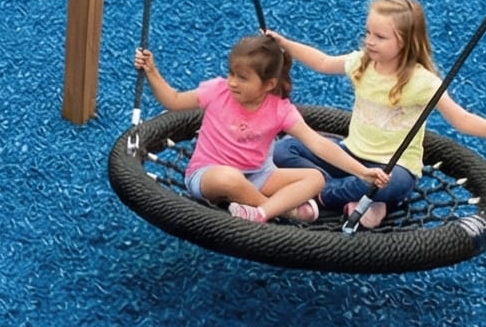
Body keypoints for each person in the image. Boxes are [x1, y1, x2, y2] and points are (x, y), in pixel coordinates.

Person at [270, 0, 486, 231]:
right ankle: (348, 192)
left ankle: (324, 195)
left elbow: (459, 119)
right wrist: (285, 44)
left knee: (389, 183)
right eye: (368, 33)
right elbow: (323, 63)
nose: (370, 41)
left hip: (393, 166)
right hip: (351, 157)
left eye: (380, 36)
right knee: (284, 149)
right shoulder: (362, 63)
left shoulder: (422, 82)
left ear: (405, 42)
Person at [135, 31, 383, 225]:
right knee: (229, 178)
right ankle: (283, 211)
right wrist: (152, 71)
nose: (232, 82)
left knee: (315, 178)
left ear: (268, 84)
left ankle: (262, 212)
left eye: (242, 78)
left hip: (258, 175)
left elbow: (317, 143)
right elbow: (174, 101)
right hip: (209, 174)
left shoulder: (280, 109)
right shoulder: (218, 90)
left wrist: (361, 171)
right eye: (231, 73)